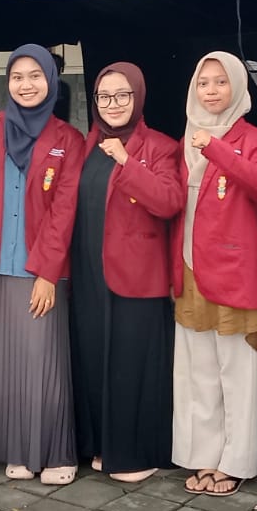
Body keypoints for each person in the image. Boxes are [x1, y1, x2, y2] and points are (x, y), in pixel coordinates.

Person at [0, 44, 84, 484]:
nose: (26, 85)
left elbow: (64, 212)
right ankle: (16, 451)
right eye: (18, 77)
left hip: (37, 266)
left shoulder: (68, 138)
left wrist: (47, 273)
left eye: (35, 76)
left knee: (42, 361)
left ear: (50, 81)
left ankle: (56, 452)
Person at [70, 63, 184, 482]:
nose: (113, 104)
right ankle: (101, 444)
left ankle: (137, 452)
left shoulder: (160, 146)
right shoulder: (88, 144)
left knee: (132, 365)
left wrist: (126, 161)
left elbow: (169, 201)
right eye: (104, 96)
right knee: (94, 360)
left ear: (138, 97)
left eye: (123, 96)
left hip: (138, 277)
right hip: (89, 273)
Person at [172, 52, 257, 496]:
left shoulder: (254, 137)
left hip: (234, 270)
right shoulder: (185, 139)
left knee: (235, 372)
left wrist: (214, 148)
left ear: (238, 87)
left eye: (220, 82)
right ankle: (201, 457)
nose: (211, 91)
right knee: (196, 372)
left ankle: (234, 462)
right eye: (203, 83)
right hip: (189, 269)